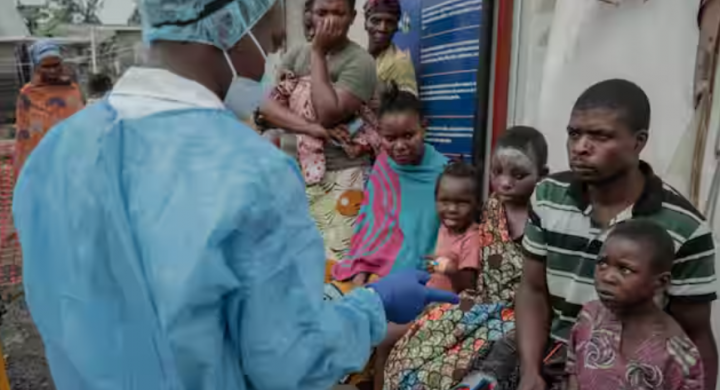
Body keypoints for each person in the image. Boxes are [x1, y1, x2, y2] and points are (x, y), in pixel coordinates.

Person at [11, 1, 459, 389]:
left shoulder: (53, 156)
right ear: (227, 27)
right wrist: (373, 307)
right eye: (267, 33)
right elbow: (288, 361)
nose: (273, 46)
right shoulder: (252, 173)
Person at [516, 79, 717, 390]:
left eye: (600, 136)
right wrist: (530, 372)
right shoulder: (547, 197)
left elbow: (696, 333)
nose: (580, 147)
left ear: (638, 142)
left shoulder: (685, 227)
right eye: (574, 134)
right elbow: (532, 291)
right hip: (557, 367)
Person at [382, 126, 549, 390]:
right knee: (407, 356)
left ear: (543, 176)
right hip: (476, 303)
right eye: (497, 173)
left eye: (519, 175)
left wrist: (447, 268)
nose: (504, 183)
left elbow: (468, 275)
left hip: (515, 316)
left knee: (451, 374)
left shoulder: (544, 217)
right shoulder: (493, 207)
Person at [258, 0, 379, 261]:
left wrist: (318, 52)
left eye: (338, 13)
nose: (330, 21)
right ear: (309, 15)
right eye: (322, 12)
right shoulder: (294, 55)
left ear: (352, 17)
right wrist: (311, 127)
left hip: (343, 175)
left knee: (335, 262)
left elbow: (328, 112)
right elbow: (267, 107)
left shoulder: (361, 62)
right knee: (298, 259)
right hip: (296, 174)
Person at [566, 219, 704, 390]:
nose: (607, 276)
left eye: (625, 269)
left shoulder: (678, 355)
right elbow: (574, 370)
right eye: (602, 263)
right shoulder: (590, 316)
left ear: (660, 282)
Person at [14, 40, 84, 178]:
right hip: (40, 162)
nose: (52, 70)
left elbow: (83, 126)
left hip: (71, 161)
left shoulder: (73, 91)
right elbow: (23, 133)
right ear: (36, 67)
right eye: (46, 66)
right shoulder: (28, 94)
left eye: (56, 65)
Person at [364, 0, 417, 96]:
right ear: (366, 24)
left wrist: (385, 99)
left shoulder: (400, 61)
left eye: (389, 22)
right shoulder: (358, 57)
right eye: (376, 21)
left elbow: (409, 106)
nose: (382, 28)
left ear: (396, 27)